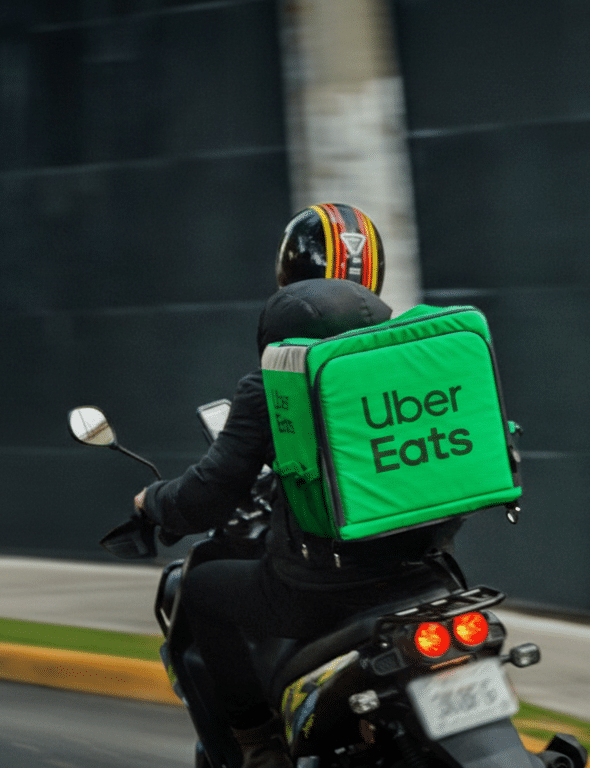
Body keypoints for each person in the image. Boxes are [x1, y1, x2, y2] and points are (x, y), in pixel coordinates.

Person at [135, 205, 463, 768]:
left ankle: (256, 742)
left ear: (288, 277)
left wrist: (155, 501)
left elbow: (212, 492)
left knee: (206, 591)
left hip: (321, 589)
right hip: (425, 573)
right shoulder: (414, 363)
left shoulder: (279, 380)